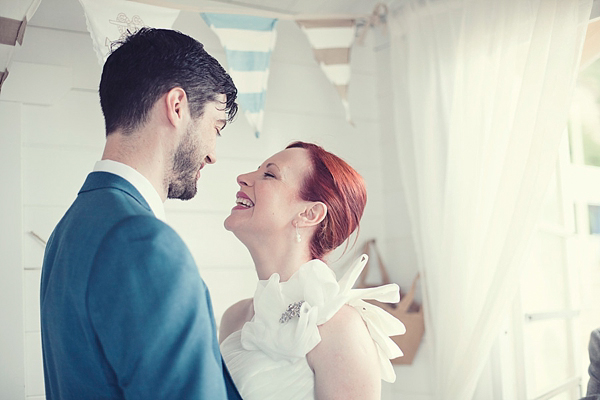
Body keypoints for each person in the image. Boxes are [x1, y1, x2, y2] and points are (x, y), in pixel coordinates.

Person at [40, 28, 240, 400]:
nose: (213, 154)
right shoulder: (142, 241)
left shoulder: (69, 229)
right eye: (216, 126)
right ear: (177, 106)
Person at [220, 141, 406, 399]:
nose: (242, 178)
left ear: (309, 213)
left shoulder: (340, 327)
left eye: (269, 174)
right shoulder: (234, 318)